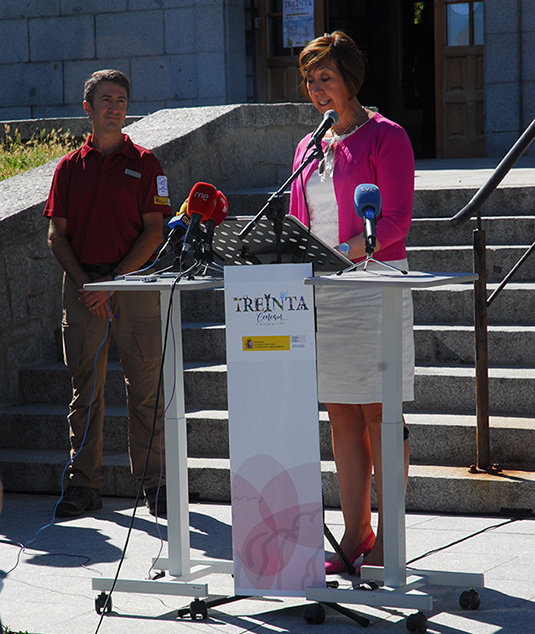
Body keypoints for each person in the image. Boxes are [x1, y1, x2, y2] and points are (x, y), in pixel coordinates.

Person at [289, 32, 415, 573]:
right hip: (325, 293)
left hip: (374, 286)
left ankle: (391, 535)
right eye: (311, 81)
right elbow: (297, 220)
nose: (318, 91)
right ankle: (355, 531)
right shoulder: (307, 145)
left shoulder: (387, 136)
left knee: (380, 414)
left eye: (327, 79)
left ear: (350, 81)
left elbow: (393, 222)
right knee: (341, 413)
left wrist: (342, 253)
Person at [44, 70, 172, 517]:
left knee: (146, 389)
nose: (114, 106)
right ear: (88, 109)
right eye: (105, 99)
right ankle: (83, 486)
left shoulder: (147, 163)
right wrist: (88, 285)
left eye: (121, 98)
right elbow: (55, 235)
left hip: (133, 285)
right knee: (86, 392)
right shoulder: (67, 168)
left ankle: (156, 486)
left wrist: (114, 282)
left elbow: (154, 233)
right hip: (83, 289)